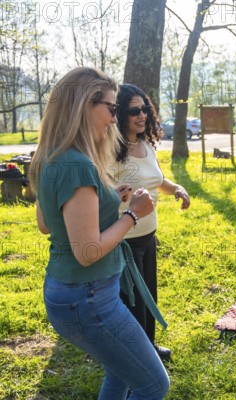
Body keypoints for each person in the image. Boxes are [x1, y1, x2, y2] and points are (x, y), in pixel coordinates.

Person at [30, 67, 169, 399]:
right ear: (83, 106)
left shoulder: (53, 156)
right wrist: (133, 215)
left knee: (121, 373)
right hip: (89, 297)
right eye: (110, 107)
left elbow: (47, 223)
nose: (113, 117)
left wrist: (106, 198)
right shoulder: (78, 165)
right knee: (154, 384)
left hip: (74, 293)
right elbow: (88, 251)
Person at [113, 83, 190, 361]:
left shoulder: (145, 144)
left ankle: (150, 347)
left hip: (148, 236)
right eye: (134, 110)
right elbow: (101, 191)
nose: (142, 115)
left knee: (149, 296)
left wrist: (177, 188)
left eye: (144, 108)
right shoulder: (110, 148)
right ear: (120, 114)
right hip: (123, 240)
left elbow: (158, 180)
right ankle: (135, 356)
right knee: (132, 303)